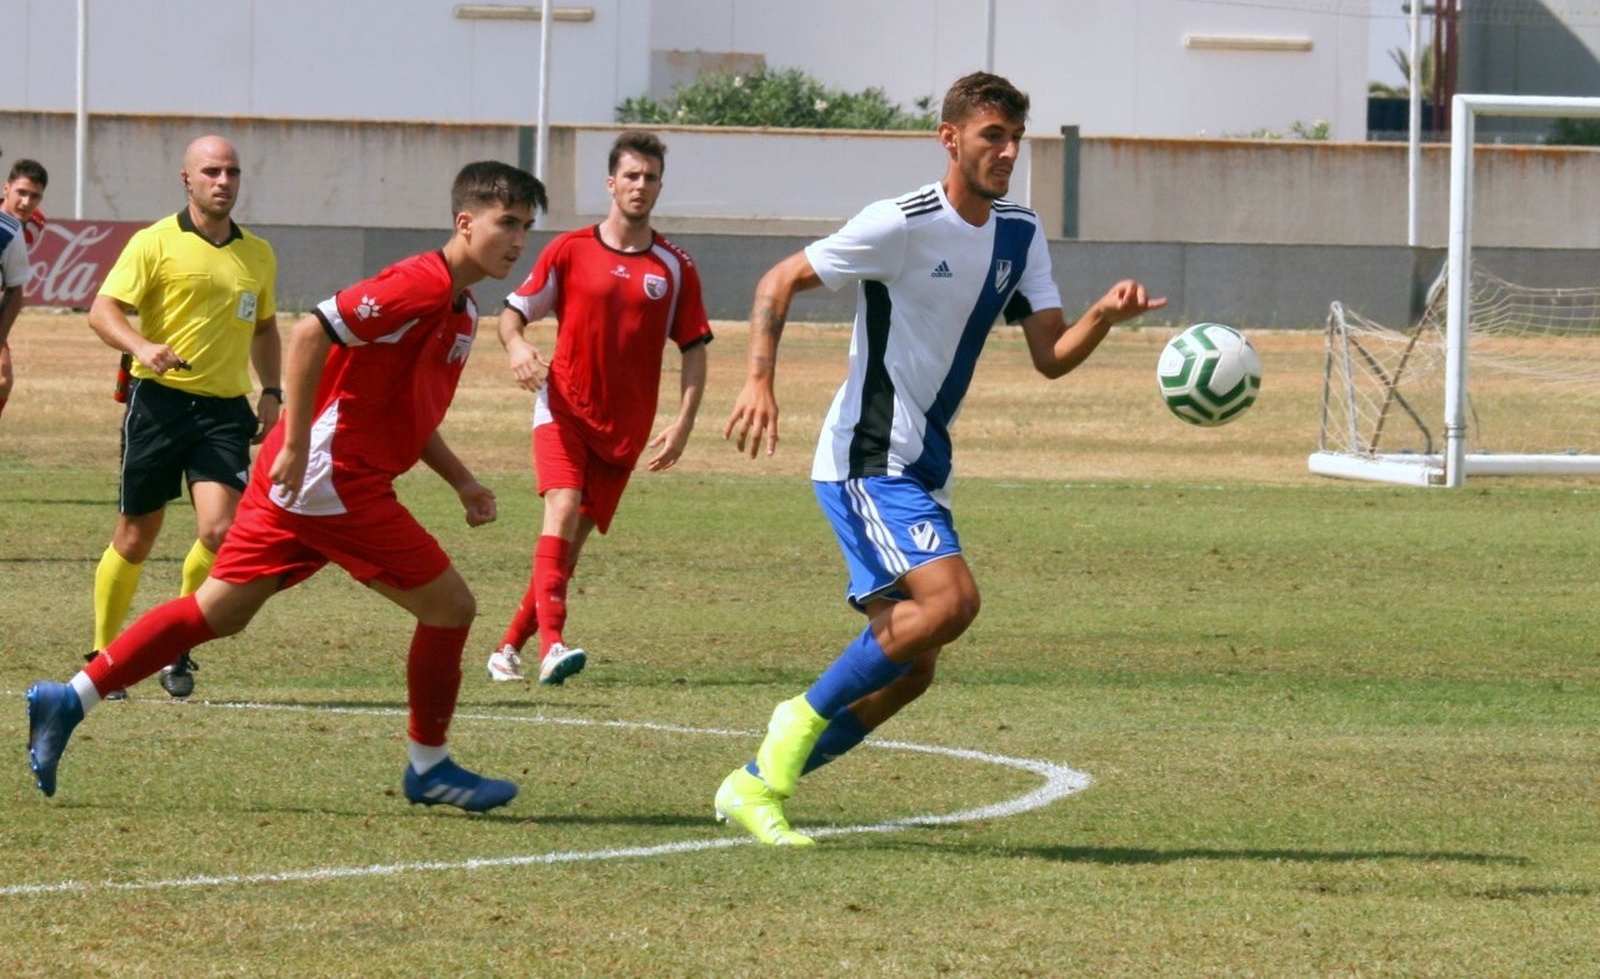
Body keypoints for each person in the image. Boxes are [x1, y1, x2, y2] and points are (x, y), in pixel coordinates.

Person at [715, 72, 1167, 846]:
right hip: (867, 455)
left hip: (922, 464)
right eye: (993, 135)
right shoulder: (901, 223)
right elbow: (781, 277)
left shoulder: (1020, 235)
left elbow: (1050, 356)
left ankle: (756, 783)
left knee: (912, 665)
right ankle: (792, 726)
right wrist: (758, 377)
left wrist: (1103, 314)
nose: (1008, 151)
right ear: (950, 139)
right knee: (951, 602)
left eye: (1017, 138)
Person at [26, 160, 545, 812]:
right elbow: (309, 332)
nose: (518, 240)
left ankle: (67, 698)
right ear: (465, 222)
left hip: (315, 481)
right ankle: (429, 764)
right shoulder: (418, 283)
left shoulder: (461, 308)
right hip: (331, 477)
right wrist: (297, 442)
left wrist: (463, 480)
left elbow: (406, 415)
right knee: (450, 607)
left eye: (527, 226)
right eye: (506, 223)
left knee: (220, 611)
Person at [486, 131, 712, 686]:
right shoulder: (568, 250)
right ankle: (554, 645)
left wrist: (683, 423)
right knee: (560, 511)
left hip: (624, 431)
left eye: (650, 177)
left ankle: (508, 648)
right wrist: (517, 347)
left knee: (570, 547)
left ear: (660, 186)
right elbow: (512, 313)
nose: (640, 186)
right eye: (631, 176)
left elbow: (694, 351)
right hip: (563, 407)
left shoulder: (674, 266)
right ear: (611, 183)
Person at [86, 136, 281, 700]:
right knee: (135, 536)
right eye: (212, 171)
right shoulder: (154, 242)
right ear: (187, 180)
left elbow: (265, 327)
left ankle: (177, 645)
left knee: (222, 531)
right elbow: (103, 311)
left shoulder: (258, 254)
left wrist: (271, 389)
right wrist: (142, 346)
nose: (224, 181)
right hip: (158, 404)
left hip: (224, 409)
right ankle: (104, 654)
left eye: (233, 172)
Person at [0, 158, 49, 424]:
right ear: (6, 189)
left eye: (35, 196)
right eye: (22, 193)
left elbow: (14, 287)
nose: (27, 202)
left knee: (3, 378)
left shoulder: (24, 229)